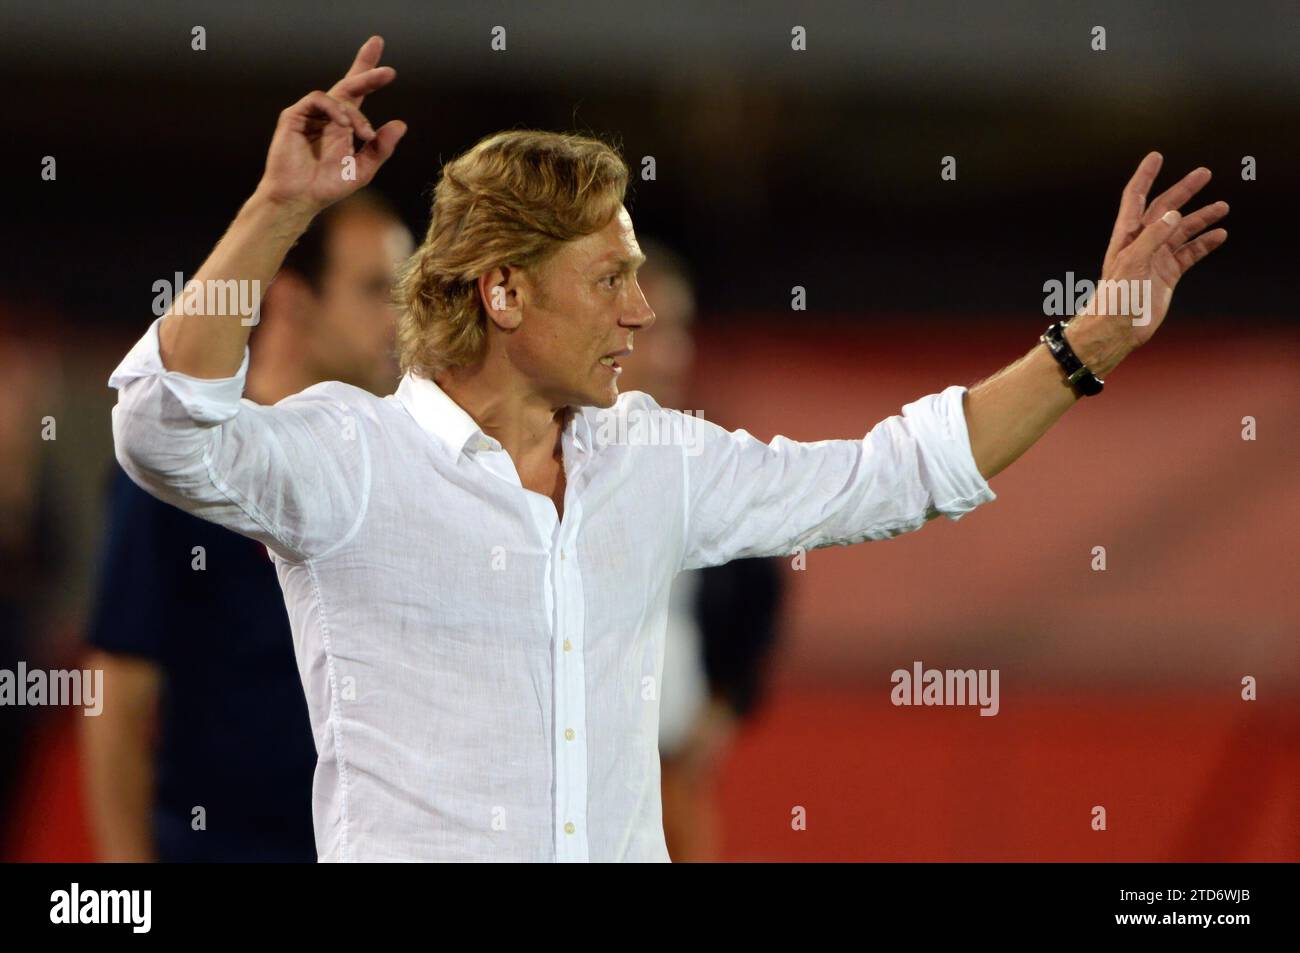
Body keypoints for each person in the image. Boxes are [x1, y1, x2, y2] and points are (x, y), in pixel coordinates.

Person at [107, 36, 1228, 862]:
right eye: (610, 278)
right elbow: (161, 426)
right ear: (501, 289)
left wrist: (1090, 342)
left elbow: (898, 471)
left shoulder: (651, 461)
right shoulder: (350, 458)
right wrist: (276, 206)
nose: (640, 313)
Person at [84, 191, 412, 861]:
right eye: (378, 290)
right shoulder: (176, 474)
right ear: (295, 301)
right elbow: (115, 702)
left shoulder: (386, 464)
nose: (401, 322)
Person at [616, 239, 785, 862]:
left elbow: (761, 591)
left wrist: (727, 705)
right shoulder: (541, 458)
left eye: (679, 330)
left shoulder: (701, 461)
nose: (670, 353)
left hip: (673, 765)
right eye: (651, 330)